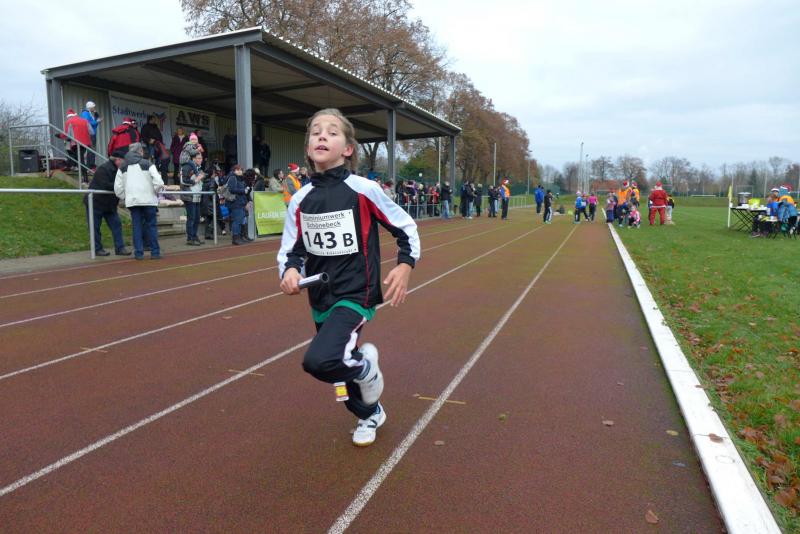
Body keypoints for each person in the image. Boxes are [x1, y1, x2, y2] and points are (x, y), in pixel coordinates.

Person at [278, 108, 420, 447]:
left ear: (347, 149)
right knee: (337, 368)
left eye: (332, 132)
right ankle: (369, 413)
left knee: (320, 360)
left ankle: (366, 369)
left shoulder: (363, 189)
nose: (322, 136)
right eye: (315, 132)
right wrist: (290, 271)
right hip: (320, 295)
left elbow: (405, 227)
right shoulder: (300, 200)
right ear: (308, 147)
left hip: (357, 292)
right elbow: (291, 249)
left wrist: (405, 264)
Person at [113, 143, 164, 260]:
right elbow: (159, 182)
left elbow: (117, 188)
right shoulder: (148, 164)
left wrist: (125, 197)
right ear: (140, 151)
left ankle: (139, 253)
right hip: (149, 200)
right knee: (151, 226)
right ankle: (155, 252)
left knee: (136, 226)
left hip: (133, 201)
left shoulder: (122, 167)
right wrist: (155, 192)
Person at [84, 149, 130, 256]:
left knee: (117, 225)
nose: (125, 163)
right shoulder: (103, 169)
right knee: (95, 227)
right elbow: (105, 185)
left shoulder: (119, 170)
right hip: (96, 203)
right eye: (123, 161)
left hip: (109, 204)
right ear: (117, 160)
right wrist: (121, 187)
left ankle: (120, 248)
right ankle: (97, 249)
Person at [181, 152, 205, 246]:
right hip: (190, 196)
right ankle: (190, 238)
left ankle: (194, 236)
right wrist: (196, 180)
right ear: (193, 159)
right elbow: (183, 181)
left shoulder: (199, 168)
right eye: (198, 158)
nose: (200, 160)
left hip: (197, 195)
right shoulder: (187, 167)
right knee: (191, 218)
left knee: (197, 218)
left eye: (201, 158)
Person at [226, 165, 249, 245]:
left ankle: (239, 237)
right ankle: (235, 238)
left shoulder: (240, 179)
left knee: (240, 221)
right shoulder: (232, 178)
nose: (239, 171)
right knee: (237, 221)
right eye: (237, 170)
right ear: (234, 171)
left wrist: (246, 201)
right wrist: (243, 190)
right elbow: (232, 189)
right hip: (235, 203)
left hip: (240, 202)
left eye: (240, 170)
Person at [80, 101, 102, 169]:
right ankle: (90, 165)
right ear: (90, 107)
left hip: (92, 133)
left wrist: (96, 120)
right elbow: (87, 123)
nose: (94, 108)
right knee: (91, 149)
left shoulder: (88, 113)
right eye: (93, 107)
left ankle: (91, 164)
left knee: (92, 149)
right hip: (90, 134)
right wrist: (96, 121)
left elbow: (92, 123)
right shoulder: (85, 113)